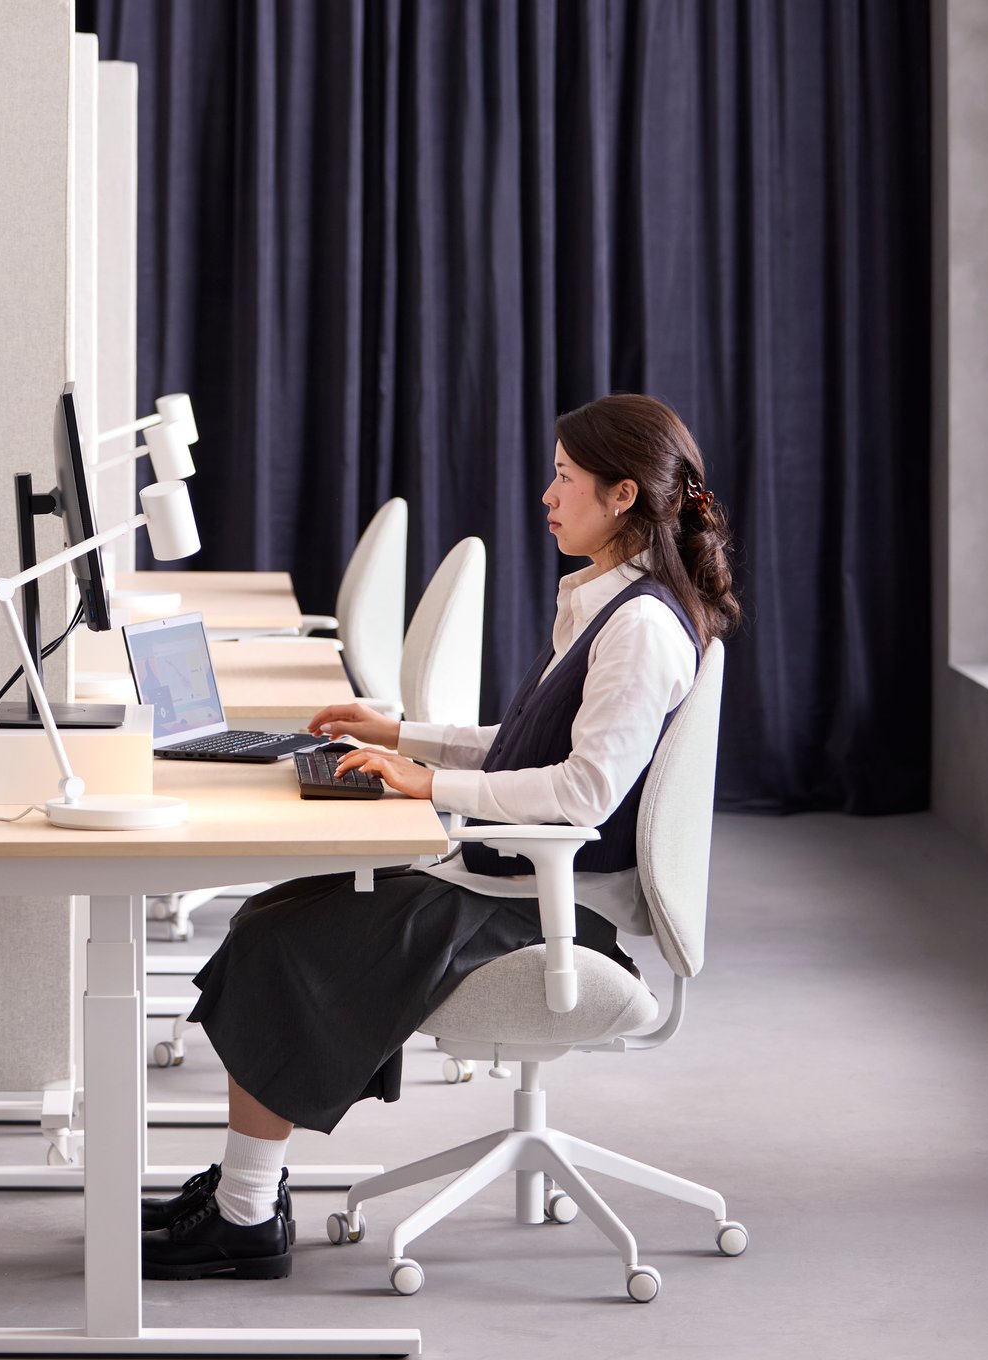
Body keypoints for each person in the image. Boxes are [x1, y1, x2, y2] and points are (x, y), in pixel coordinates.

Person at [140, 392, 741, 1281]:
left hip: (544, 910)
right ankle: (247, 1189)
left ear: (621, 497)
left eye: (565, 478)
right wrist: (399, 736)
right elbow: (524, 738)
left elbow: (584, 793)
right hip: (508, 886)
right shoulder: (606, 605)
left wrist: (428, 783)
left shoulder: (643, 630)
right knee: (275, 914)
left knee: (278, 942)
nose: (546, 493)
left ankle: (244, 1218)